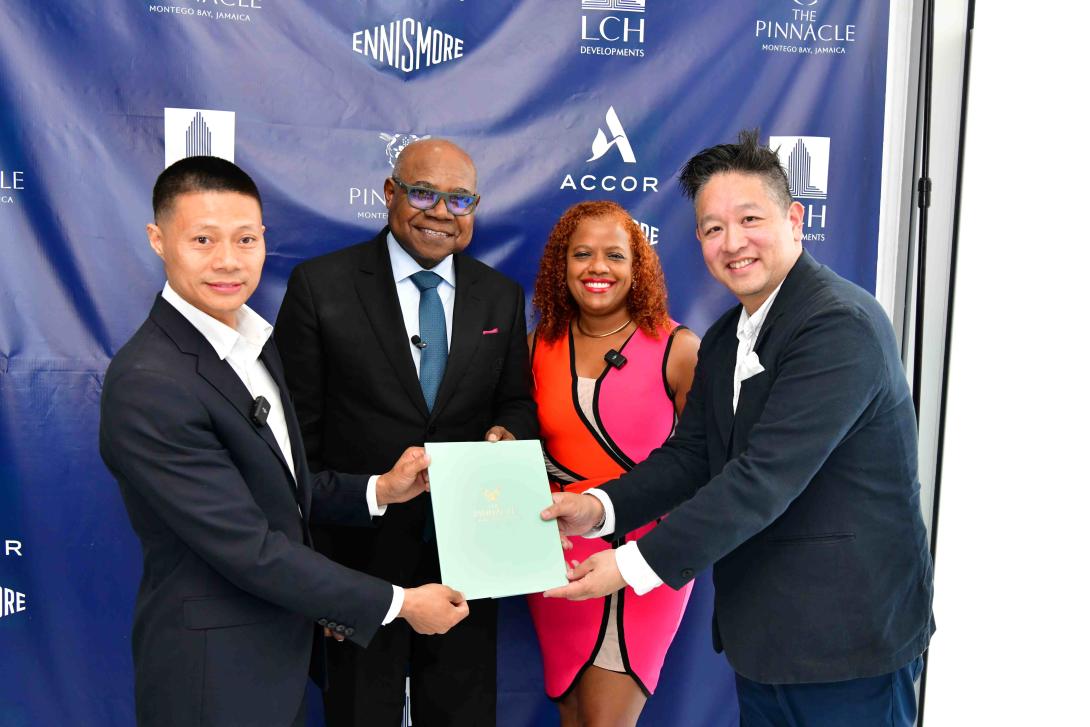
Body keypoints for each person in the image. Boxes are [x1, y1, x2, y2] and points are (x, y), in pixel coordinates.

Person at [542, 130, 935, 726]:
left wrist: (626, 566)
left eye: (749, 218)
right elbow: (692, 455)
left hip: (850, 640)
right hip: (766, 636)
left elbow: (762, 479)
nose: (732, 243)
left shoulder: (839, 325)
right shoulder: (727, 334)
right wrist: (595, 509)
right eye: (712, 228)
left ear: (794, 219)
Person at [98, 156, 470, 727]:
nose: (228, 261)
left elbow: (281, 493)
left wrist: (380, 490)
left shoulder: (254, 340)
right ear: (157, 239)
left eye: (245, 239)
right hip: (213, 677)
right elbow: (249, 547)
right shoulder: (150, 383)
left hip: (284, 657)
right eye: (202, 239)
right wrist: (400, 603)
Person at [274, 138, 537, 727]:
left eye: (460, 199)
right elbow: (295, 446)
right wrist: (314, 578)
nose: (441, 212)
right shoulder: (321, 286)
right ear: (390, 195)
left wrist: (504, 434)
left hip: (470, 562)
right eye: (423, 192)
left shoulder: (499, 294)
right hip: (357, 567)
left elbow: (518, 403)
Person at [525, 200, 700, 726]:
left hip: (639, 556)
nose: (598, 267)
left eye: (615, 255)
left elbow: (707, 462)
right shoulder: (537, 345)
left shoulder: (678, 347)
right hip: (555, 551)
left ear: (637, 266)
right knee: (574, 711)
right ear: (562, 264)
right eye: (582, 254)